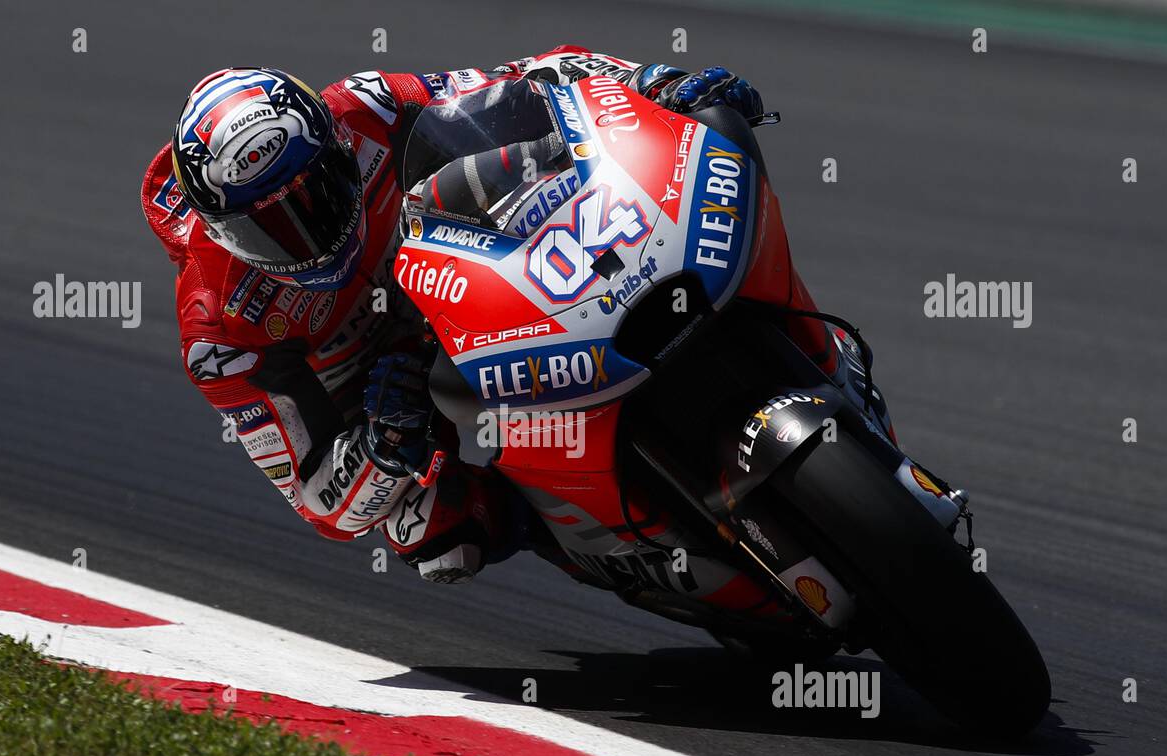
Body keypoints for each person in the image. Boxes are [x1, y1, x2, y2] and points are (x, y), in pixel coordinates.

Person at [140, 47, 855, 583]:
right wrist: (383, 446)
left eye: (315, 194)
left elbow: (530, 81)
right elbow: (322, 502)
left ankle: (811, 350)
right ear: (218, 230)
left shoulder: (366, 107)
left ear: (332, 145)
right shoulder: (217, 329)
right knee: (431, 532)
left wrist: (654, 83)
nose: (306, 232)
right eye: (268, 227)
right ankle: (584, 539)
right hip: (381, 389)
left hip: (470, 272)